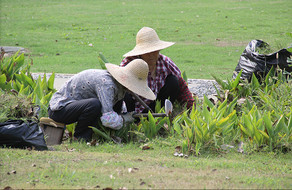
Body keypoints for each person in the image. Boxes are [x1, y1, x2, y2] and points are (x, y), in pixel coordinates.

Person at [48, 59, 155, 142]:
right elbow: (107, 118)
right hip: (59, 110)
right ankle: (80, 138)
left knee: (116, 103)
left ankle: (105, 137)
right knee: (94, 104)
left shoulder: (118, 87)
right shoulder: (107, 84)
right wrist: (124, 119)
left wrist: (123, 115)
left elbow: (114, 109)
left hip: (76, 107)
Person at [120, 26, 195, 113]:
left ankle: (159, 117)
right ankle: (132, 123)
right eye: (147, 52)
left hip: (154, 107)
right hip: (133, 109)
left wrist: (191, 108)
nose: (151, 55)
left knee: (173, 81)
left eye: (154, 51)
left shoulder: (165, 62)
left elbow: (182, 86)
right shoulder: (129, 63)